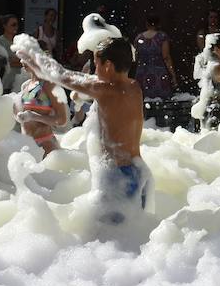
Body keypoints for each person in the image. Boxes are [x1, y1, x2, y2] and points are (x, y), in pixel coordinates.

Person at [19, 36, 152, 221]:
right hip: (138, 173)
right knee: (131, 239)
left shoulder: (105, 90)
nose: (94, 71)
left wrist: (35, 56)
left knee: (109, 241)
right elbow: (85, 79)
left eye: (96, 65)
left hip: (118, 179)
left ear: (108, 66)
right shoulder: (134, 87)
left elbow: (63, 76)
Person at [16, 71, 69, 156]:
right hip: (26, 144)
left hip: (45, 144)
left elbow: (62, 120)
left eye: (27, 57)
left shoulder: (50, 85)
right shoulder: (25, 85)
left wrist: (34, 116)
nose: (22, 60)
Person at [192, 34, 220, 131]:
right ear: (216, 48)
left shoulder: (211, 64)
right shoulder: (219, 66)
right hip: (217, 111)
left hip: (209, 109)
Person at [133, 15, 177, 100]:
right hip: (159, 73)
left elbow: (136, 56)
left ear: (146, 24)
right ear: (158, 24)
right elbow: (166, 56)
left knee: (142, 101)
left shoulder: (139, 38)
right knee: (162, 100)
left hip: (142, 72)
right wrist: (173, 75)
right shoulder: (162, 37)